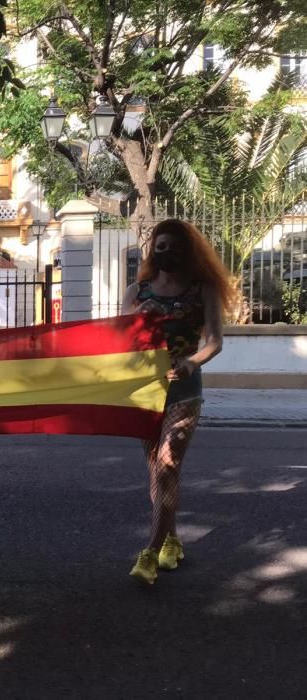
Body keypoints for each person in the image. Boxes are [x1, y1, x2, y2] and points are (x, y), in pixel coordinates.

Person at [121, 219, 235, 585]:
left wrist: (191, 363)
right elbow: (120, 340)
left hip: (184, 390)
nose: (165, 252)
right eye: (160, 246)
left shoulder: (204, 290)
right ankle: (171, 538)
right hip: (145, 390)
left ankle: (150, 552)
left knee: (168, 463)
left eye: (173, 246)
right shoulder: (136, 290)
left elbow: (215, 341)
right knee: (157, 468)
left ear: (188, 250)